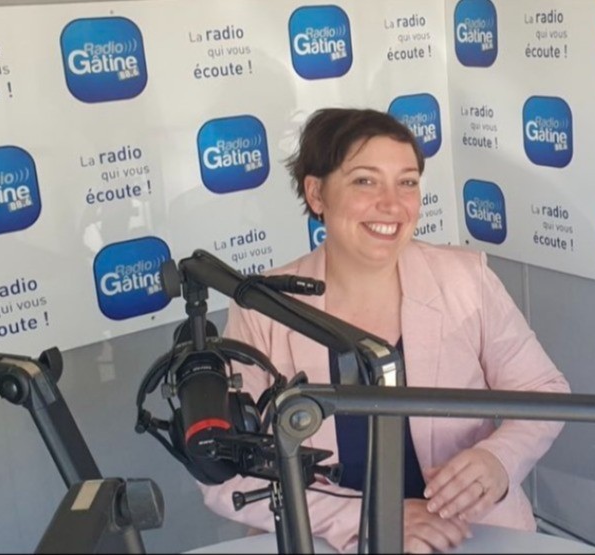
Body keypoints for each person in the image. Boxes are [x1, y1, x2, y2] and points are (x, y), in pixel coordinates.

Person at [199, 108, 571, 553]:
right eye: (365, 181)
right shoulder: (263, 308)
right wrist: (367, 518)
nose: (392, 204)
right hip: (323, 541)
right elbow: (223, 472)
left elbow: (544, 392)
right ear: (316, 193)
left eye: (407, 182)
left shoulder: (464, 278)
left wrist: (498, 459)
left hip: (470, 534)